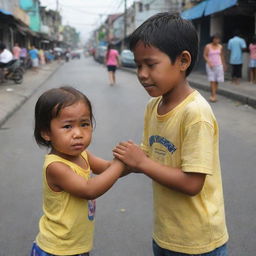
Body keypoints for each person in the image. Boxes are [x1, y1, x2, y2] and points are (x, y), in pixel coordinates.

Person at [113, 12, 229, 256]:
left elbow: (192, 183)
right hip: (166, 235)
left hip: (198, 242)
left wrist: (142, 162)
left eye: (151, 64)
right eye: (138, 65)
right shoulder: (153, 107)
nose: (142, 74)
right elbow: (146, 157)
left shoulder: (195, 113)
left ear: (183, 61)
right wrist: (96, 169)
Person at [31, 86, 124, 256]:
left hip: (76, 247)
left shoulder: (83, 154)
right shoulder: (56, 167)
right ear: (46, 132)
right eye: (67, 126)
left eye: (85, 124)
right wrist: (121, 164)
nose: (78, 133)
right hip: (57, 249)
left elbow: (107, 169)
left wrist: (134, 162)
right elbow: (89, 189)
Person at [203, 34, 226, 102]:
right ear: (212, 39)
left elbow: (222, 56)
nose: (216, 40)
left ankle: (214, 94)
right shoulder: (208, 46)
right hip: (210, 66)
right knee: (212, 80)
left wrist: (224, 64)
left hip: (219, 65)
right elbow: (205, 55)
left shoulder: (220, 47)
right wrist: (209, 62)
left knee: (217, 81)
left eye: (218, 39)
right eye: (215, 39)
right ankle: (213, 96)